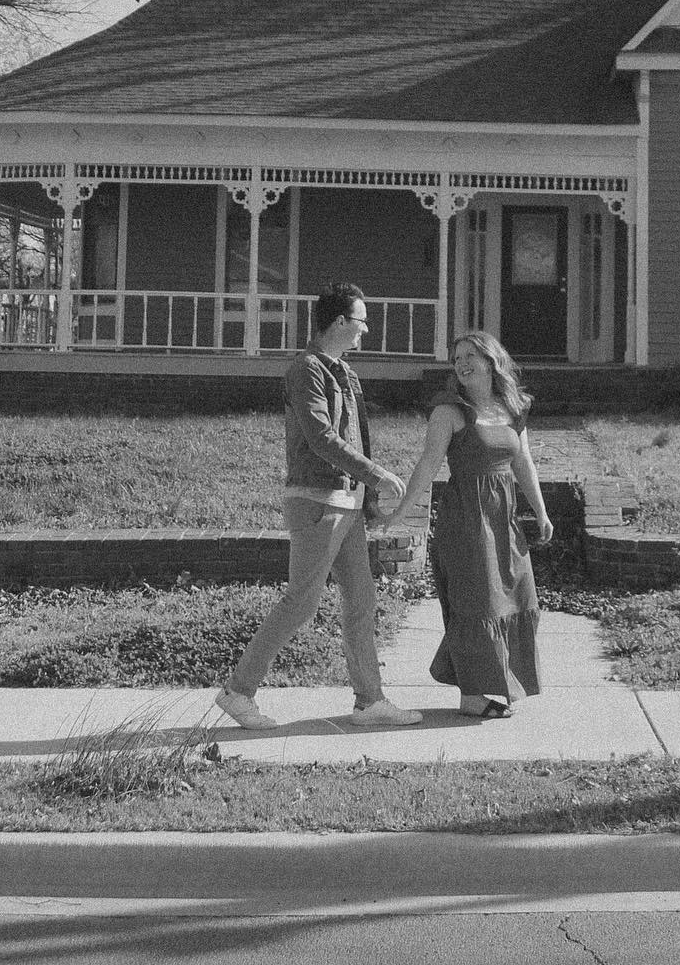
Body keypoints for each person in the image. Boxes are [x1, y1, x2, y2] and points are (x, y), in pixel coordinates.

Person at [215, 281, 422, 730]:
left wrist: (366, 497)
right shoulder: (306, 369)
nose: (366, 330)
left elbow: (355, 438)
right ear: (340, 322)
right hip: (316, 501)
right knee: (301, 602)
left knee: (361, 598)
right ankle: (237, 691)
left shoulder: (344, 372)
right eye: (361, 321)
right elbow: (321, 438)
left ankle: (370, 702)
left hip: (346, 503)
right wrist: (377, 474)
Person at [387, 329, 553, 718]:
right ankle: (473, 697)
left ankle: (490, 684)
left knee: (519, 596)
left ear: (491, 362)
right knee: (478, 604)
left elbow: (523, 463)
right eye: (456, 357)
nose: (461, 364)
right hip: (467, 520)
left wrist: (541, 512)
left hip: (505, 519)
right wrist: (401, 511)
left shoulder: (513, 407)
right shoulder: (449, 411)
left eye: (469, 356)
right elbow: (427, 465)